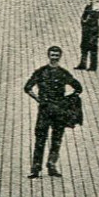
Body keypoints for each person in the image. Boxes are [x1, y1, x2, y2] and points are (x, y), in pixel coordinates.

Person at [23, 45, 82, 178]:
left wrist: (68, 100)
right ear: (48, 55)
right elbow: (27, 87)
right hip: (45, 110)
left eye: (56, 55)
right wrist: (38, 99)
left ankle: (51, 164)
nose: (54, 58)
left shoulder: (63, 73)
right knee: (40, 138)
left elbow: (78, 88)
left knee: (56, 139)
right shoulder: (41, 72)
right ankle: (36, 167)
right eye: (52, 55)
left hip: (58, 111)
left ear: (59, 56)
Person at [76, 0, 99, 71]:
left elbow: (92, 15)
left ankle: (93, 66)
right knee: (84, 45)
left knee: (92, 46)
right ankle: (82, 64)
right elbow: (84, 15)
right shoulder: (89, 5)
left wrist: (85, 20)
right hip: (86, 28)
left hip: (93, 29)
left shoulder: (97, 5)